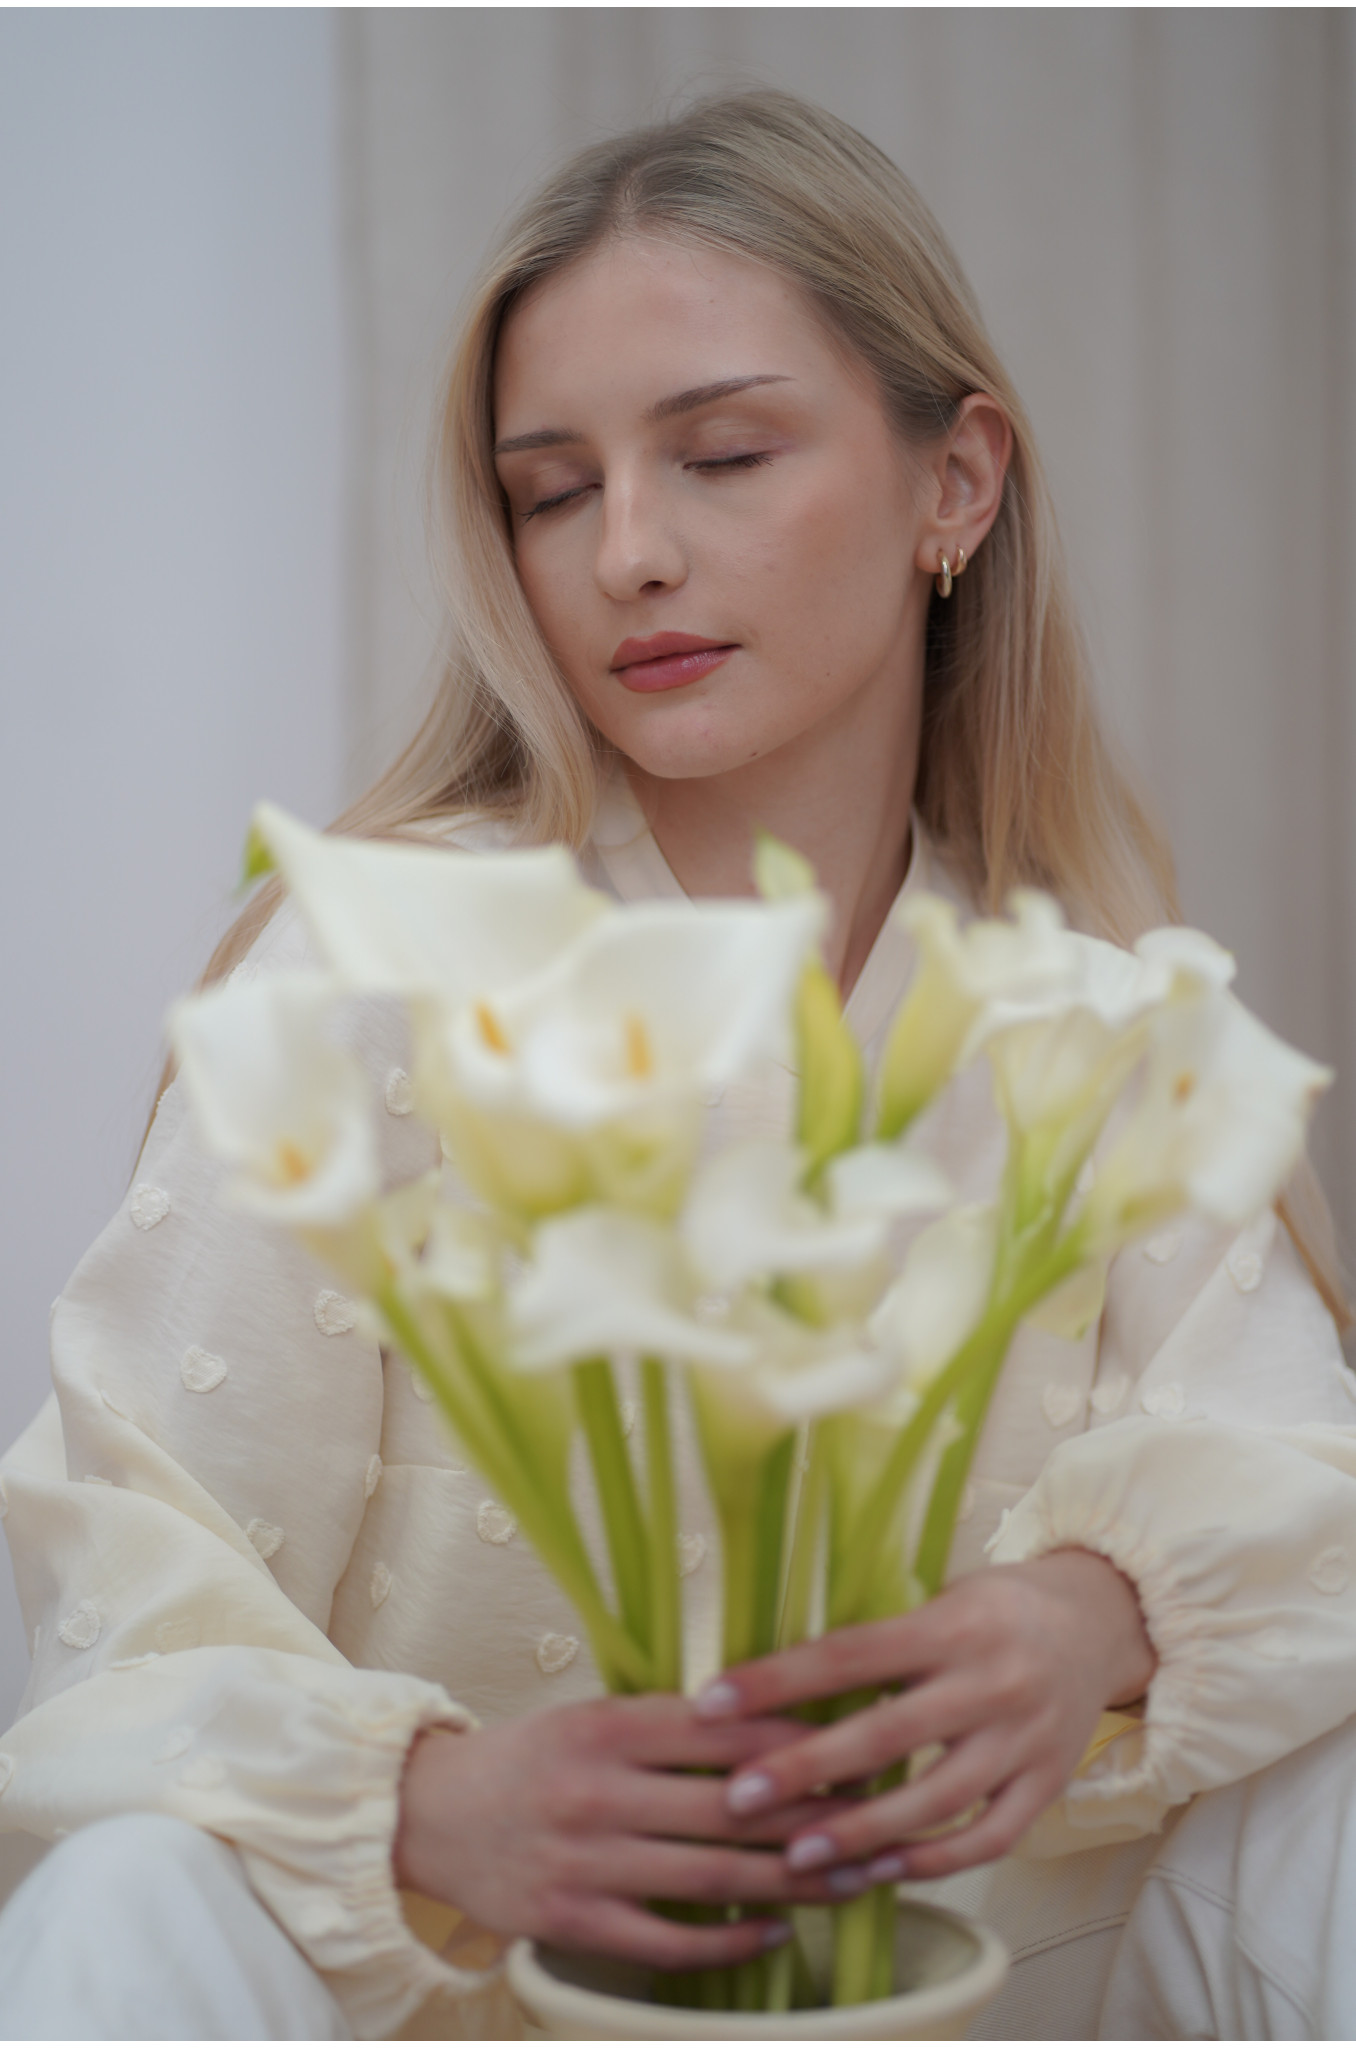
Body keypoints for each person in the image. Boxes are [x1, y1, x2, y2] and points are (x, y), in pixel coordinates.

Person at [2, 86, 1355, 2041]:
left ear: (957, 482)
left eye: (721, 455)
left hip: (991, 1997)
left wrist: (1100, 1612)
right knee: (135, 1890)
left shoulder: (1105, 1017)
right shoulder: (381, 964)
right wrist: (428, 1803)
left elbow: (1310, 1483)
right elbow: (114, 1584)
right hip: (458, 2006)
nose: (628, 552)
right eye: (552, 492)